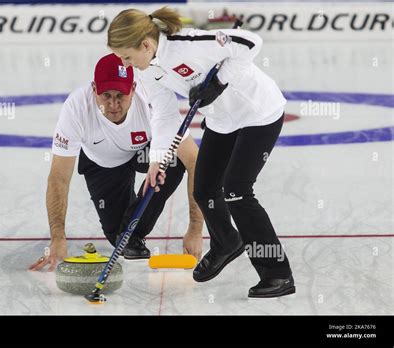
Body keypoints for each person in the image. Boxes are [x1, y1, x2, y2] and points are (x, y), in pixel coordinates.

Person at [108, 7, 295, 298]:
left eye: (126, 56)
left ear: (146, 45)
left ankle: (277, 274)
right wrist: (158, 159)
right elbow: (164, 114)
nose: (123, 63)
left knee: (237, 191)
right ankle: (226, 242)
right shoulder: (145, 70)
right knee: (205, 189)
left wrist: (219, 83)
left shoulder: (188, 43)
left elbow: (249, 43)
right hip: (222, 119)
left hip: (257, 112)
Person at [29, 53, 204, 272]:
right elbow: (58, 178)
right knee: (118, 237)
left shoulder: (153, 100)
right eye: (106, 95)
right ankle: (129, 233)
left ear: (133, 88)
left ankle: (133, 233)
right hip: (103, 162)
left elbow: (196, 162)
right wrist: (57, 238)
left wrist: (195, 230)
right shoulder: (76, 108)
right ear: (94, 89)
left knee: (174, 158)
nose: (113, 104)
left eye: (121, 95)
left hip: (147, 153)